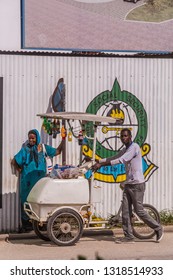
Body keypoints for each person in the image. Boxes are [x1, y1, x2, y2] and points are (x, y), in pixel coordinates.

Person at [92, 128, 163, 243]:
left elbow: (120, 160)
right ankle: (129, 236)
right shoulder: (126, 149)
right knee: (125, 211)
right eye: (122, 136)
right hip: (128, 184)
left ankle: (158, 228)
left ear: (130, 137)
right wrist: (98, 160)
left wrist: (101, 165)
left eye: (125, 136)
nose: (123, 138)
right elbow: (114, 157)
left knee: (139, 211)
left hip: (137, 185)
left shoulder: (134, 147)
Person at [11, 129, 63, 232]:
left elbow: (57, 151)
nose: (31, 140)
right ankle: (27, 226)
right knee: (26, 201)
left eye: (33, 138)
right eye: (29, 138)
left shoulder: (44, 148)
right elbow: (14, 160)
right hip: (28, 182)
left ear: (37, 138)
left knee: (41, 201)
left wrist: (63, 140)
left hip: (41, 182)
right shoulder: (25, 150)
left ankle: (41, 224)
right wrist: (20, 169)